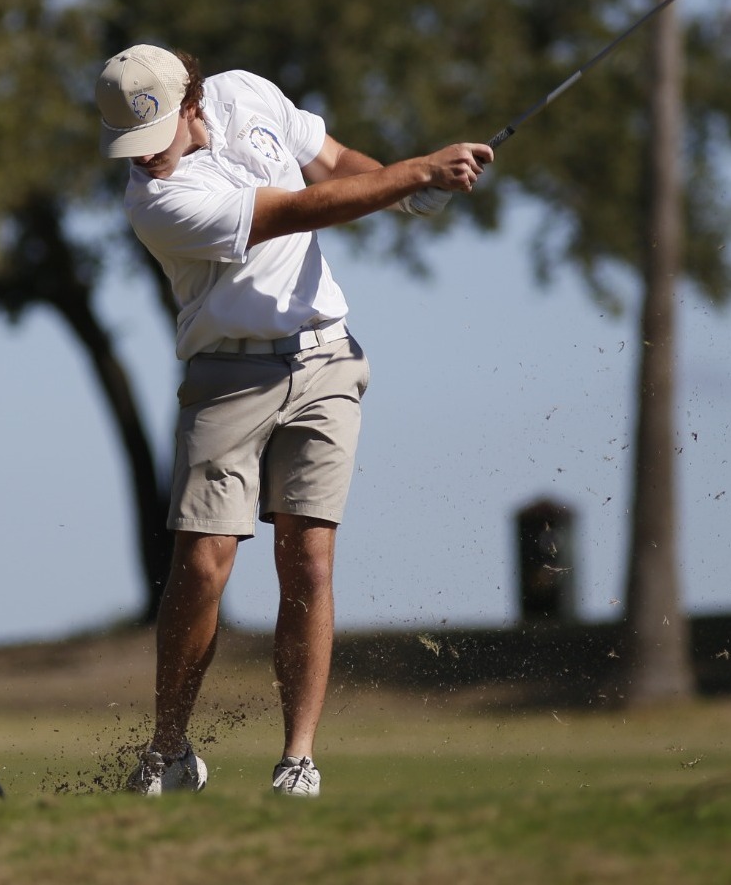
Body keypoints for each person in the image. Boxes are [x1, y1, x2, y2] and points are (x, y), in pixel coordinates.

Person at [96, 44, 490, 797]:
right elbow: (292, 210)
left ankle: (296, 760)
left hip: (325, 360)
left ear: (190, 102)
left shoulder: (247, 93)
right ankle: (169, 749)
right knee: (202, 562)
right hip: (227, 377)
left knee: (307, 559)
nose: (143, 160)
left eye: (152, 140)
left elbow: (332, 162)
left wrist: (407, 190)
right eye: (128, 147)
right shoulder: (156, 202)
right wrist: (412, 172)